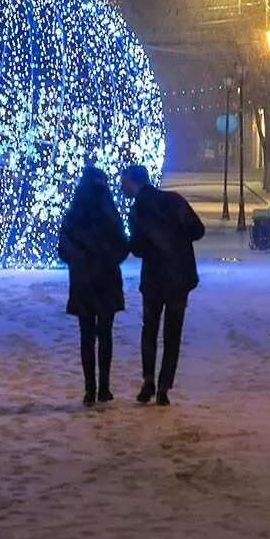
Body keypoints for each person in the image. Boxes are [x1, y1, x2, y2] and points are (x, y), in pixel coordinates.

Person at [122, 163, 203, 406]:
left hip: (154, 280)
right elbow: (198, 230)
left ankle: (148, 382)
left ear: (135, 182)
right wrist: (178, 241)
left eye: (124, 181)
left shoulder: (137, 211)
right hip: (179, 278)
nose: (121, 186)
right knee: (173, 334)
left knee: (150, 330)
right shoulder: (175, 201)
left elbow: (137, 249)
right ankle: (164, 388)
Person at [58, 165, 129, 406]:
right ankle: (104, 388)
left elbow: (63, 249)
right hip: (106, 279)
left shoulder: (74, 215)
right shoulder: (109, 212)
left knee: (86, 336)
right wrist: (107, 259)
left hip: (83, 280)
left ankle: (90, 389)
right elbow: (123, 244)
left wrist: (81, 261)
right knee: (105, 334)